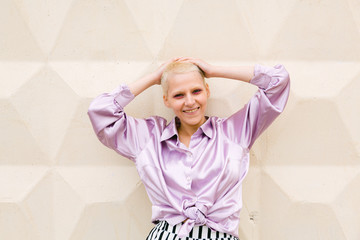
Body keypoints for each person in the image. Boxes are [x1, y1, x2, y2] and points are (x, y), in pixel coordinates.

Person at [87, 57, 290, 240]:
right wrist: (154, 78)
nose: (190, 101)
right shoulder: (148, 137)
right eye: (178, 95)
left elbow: (278, 82)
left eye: (196, 91)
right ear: (166, 100)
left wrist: (214, 70)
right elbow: (100, 110)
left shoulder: (235, 132)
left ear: (207, 91)